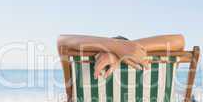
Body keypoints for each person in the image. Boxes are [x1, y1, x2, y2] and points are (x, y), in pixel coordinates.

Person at [57, 34, 185, 78]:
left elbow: (61, 41)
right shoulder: (161, 71)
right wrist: (123, 49)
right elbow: (179, 41)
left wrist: (115, 49)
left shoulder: (80, 68)